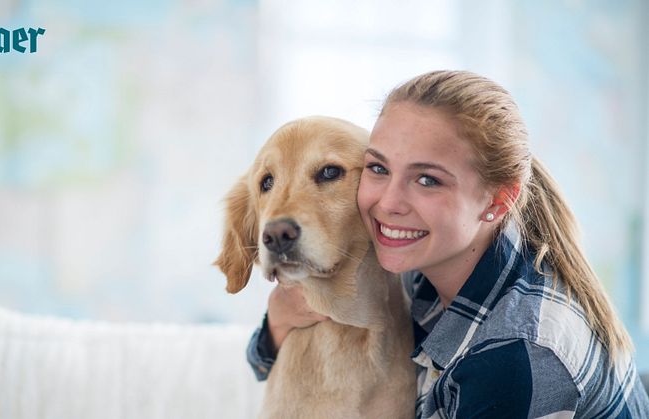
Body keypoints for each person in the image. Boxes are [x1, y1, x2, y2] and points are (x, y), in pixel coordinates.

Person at [246, 70, 649, 417]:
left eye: (428, 180)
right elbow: (260, 360)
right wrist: (278, 323)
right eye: (379, 168)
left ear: (496, 201)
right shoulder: (429, 261)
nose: (388, 203)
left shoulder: (513, 356)